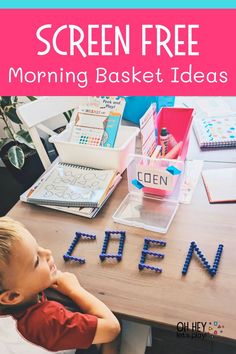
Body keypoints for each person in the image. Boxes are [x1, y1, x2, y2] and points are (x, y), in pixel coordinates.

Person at [0, 217, 120, 354]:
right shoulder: (47, 320)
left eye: (38, 247)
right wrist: (74, 289)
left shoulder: (14, 294)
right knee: (117, 330)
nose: (47, 252)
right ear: (12, 296)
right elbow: (112, 328)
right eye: (36, 261)